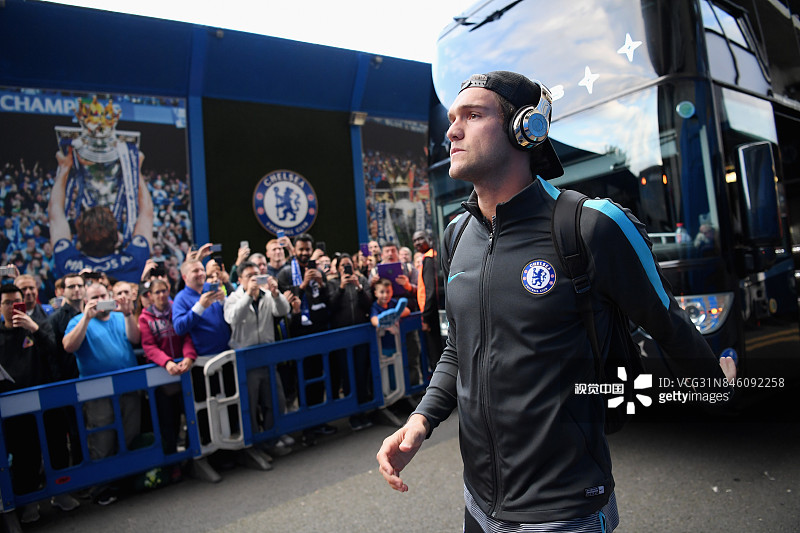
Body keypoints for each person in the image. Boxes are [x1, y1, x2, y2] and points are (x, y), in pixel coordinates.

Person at [376, 71, 737, 532]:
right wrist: (421, 419)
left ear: (526, 128)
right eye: (452, 119)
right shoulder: (456, 235)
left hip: (564, 511)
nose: (453, 132)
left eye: (473, 115)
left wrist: (716, 385)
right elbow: (458, 348)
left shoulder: (592, 224)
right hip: (479, 504)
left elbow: (669, 324)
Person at [63, 280, 140, 505]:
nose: (99, 301)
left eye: (103, 296)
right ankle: (101, 488)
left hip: (128, 386)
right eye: (94, 298)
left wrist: (128, 314)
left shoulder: (119, 316)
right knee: (102, 440)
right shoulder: (77, 321)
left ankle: (126, 481)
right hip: (97, 393)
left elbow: (135, 339)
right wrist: (86, 318)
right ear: (86, 301)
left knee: (130, 434)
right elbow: (69, 346)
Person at [0, 284, 61, 525]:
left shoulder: (38, 326)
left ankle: (60, 494)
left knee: (54, 448)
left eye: (17, 302)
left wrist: (34, 328)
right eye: (7, 302)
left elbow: (54, 350)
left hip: (43, 401)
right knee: (24, 456)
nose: (13, 307)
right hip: (12, 408)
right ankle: (28, 502)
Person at [49, 146, 153, 283]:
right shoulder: (132, 262)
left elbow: (55, 212)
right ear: (117, 237)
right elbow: (146, 213)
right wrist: (135, 171)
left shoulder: (67, 263)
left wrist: (64, 168)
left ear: (79, 238)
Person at [223, 261, 292, 457]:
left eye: (257, 275)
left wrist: (276, 293)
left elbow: (283, 310)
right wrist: (248, 295)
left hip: (267, 357)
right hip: (246, 359)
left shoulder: (267, 295)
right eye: (249, 276)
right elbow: (233, 318)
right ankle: (254, 445)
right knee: (250, 405)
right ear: (240, 280)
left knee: (276, 401)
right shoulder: (233, 298)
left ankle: (271, 439)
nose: (254, 279)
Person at [138, 278, 196, 456]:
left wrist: (189, 356)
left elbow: (187, 335)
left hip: (185, 372)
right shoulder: (145, 318)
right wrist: (167, 362)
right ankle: (172, 461)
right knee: (168, 422)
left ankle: (192, 456)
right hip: (162, 378)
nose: (161, 295)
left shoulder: (177, 309)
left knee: (192, 417)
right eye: (157, 292)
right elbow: (149, 347)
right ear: (150, 295)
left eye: (164, 291)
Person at [328, 253, 373, 430]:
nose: (346, 269)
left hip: (360, 334)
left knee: (361, 372)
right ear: (337, 268)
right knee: (347, 375)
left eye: (348, 265)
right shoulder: (332, 283)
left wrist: (359, 288)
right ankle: (353, 414)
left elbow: (369, 304)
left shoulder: (361, 280)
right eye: (342, 265)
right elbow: (331, 307)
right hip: (342, 337)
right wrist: (341, 288)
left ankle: (363, 411)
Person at [172, 259, 230, 356]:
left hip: (227, 352)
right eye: (195, 271)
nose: (201, 273)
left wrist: (223, 300)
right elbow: (179, 328)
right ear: (184, 277)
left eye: (202, 270)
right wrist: (200, 307)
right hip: (204, 357)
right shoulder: (180, 298)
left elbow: (230, 315)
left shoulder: (212, 288)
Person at [412, 230, 443, 369]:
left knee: (436, 355)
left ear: (429, 239)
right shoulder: (430, 257)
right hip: (434, 313)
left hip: (432, 316)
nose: (417, 243)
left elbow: (430, 292)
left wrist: (426, 318)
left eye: (420, 239)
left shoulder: (429, 259)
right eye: (414, 241)